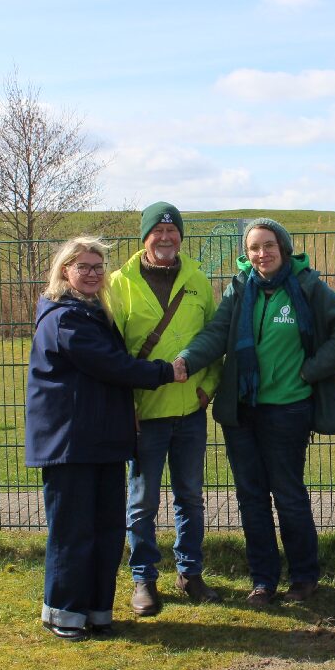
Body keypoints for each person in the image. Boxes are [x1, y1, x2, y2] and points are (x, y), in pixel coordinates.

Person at [179, 218, 335, 607]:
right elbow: (217, 334)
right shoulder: (239, 288)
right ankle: (263, 581)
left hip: (288, 410)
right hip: (242, 411)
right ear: (246, 253)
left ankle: (303, 577)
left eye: (268, 245)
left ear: (283, 247)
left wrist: (311, 370)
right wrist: (187, 360)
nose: (261, 254)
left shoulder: (307, 286)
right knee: (251, 498)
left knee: (288, 495)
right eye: (254, 248)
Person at [25, 236, 187, 641]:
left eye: (98, 267)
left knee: (106, 531)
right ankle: (64, 613)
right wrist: (165, 372)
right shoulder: (65, 318)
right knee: (73, 532)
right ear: (65, 270)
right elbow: (111, 365)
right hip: (71, 444)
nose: (93, 274)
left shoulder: (93, 312)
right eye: (83, 267)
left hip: (101, 440)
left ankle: (98, 612)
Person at [107, 202, 222, 615]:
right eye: (158, 231)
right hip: (145, 414)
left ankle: (190, 573)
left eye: (173, 231)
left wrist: (207, 390)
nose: (166, 238)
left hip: (190, 412)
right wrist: (126, 405)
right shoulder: (118, 284)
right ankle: (144, 578)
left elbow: (215, 338)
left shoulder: (197, 279)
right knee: (142, 502)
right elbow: (112, 353)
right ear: (145, 237)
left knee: (190, 497)